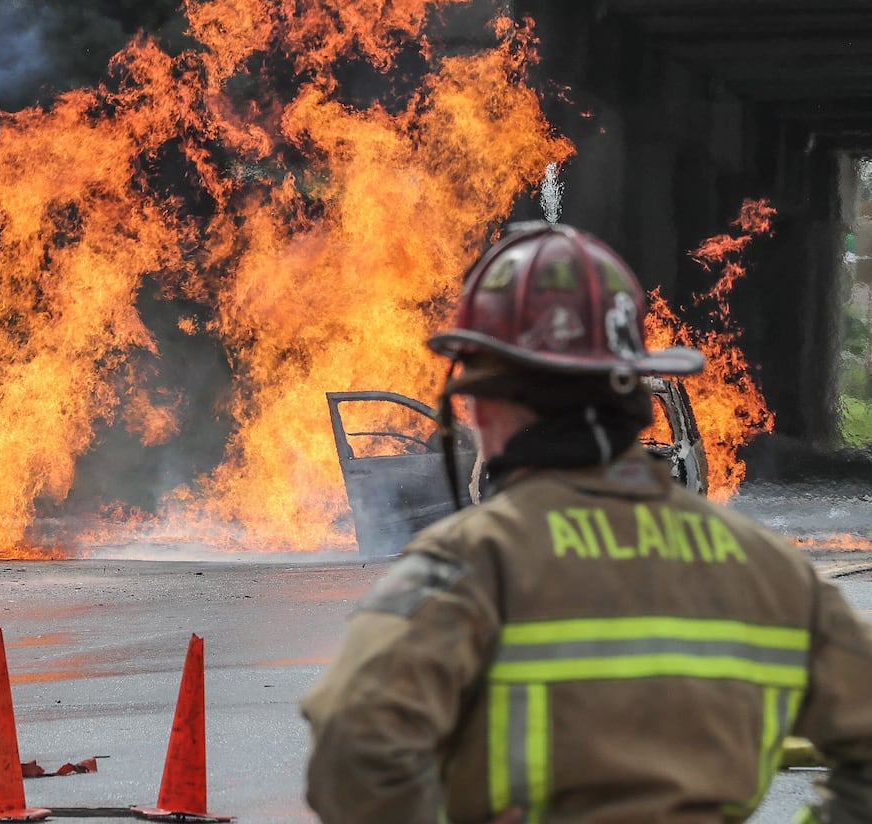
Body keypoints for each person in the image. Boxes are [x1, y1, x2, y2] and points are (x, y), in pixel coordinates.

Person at [301, 222, 872, 824]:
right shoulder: (769, 570)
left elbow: (350, 757)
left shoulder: (463, 569)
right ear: (634, 393)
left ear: (485, 402)